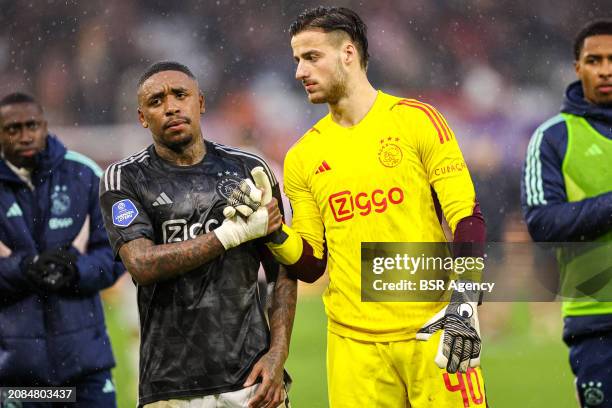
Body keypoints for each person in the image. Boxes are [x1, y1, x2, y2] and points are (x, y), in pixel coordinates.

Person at [279, 6, 487, 407]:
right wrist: (271, 232)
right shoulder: (302, 157)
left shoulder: (415, 121)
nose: (300, 72)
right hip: (353, 348)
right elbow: (310, 262)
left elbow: (467, 219)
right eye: (297, 60)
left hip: (432, 330)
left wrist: (465, 300)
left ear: (348, 54)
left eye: (311, 57)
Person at [99, 61, 296, 408]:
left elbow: (283, 268)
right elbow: (141, 264)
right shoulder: (124, 179)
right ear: (143, 117)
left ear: (200, 103)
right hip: (170, 389)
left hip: (250, 382)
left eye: (180, 95)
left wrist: (277, 357)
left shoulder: (248, 169)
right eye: (157, 101)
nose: (171, 106)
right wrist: (227, 236)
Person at [0, 92, 124, 407]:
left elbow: (118, 252)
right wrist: (25, 269)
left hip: (86, 371)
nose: (25, 135)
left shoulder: (83, 175)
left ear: (45, 126)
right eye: (13, 129)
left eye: (32, 125)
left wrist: (74, 270)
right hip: (17, 374)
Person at [521, 20, 612, 408]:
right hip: (597, 317)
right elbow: (542, 223)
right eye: (595, 60)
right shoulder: (553, 137)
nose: (606, 69)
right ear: (577, 68)